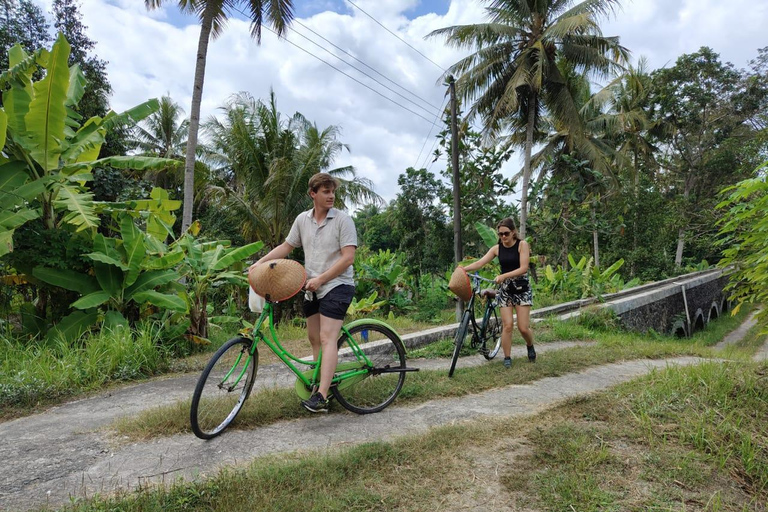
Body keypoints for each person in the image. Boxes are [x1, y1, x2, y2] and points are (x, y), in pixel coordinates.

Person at [251, 172, 357, 412]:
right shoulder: (302, 220)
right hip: (312, 288)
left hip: (337, 285)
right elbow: (287, 246)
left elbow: (348, 258)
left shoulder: (343, 220)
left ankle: (321, 395)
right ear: (313, 194)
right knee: (313, 338)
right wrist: (260, 262)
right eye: (325, 192)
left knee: (327, 338)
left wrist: (321, 279)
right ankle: (321, 380)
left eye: (332, 192)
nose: (331, 196)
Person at [460, 217, 535, 368]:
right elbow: (480, 262)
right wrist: (463, 269)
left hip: (521, 288)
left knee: (523, 327)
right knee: (507, 325)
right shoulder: (497, 248)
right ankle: (507, 357)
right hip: (505, 290)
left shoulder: (522, 245)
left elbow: (523, 268)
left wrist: (503, 276)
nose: (503, 237)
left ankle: (530, 345)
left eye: (506, 234)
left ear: (513, 232)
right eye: (500, 234)